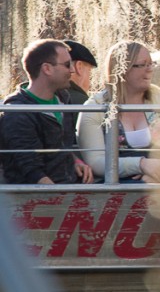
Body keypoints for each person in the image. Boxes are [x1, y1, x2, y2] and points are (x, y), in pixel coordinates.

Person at [77, 41, 160, 183]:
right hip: (116, 188)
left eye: (151, 64)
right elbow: (96, 162)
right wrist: (142, 165)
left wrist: (158, 170)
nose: (150, 70)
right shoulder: (95, 107)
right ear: (121, 69)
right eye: (142, 65)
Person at [0, 39, 92, 184]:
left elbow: (60, 145)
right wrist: (58, 200)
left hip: (67, 189)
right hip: (36, 199)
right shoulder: (17, 111)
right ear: (47, 69)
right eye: (67, 65)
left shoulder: (63, 99)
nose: (72, 70)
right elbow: (30, 169)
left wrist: (75, 160)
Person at [63, 40, 98, 105]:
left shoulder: (44, 97)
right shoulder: (83, 103)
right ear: (79, 67)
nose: (90, 83)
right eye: (89, 71)